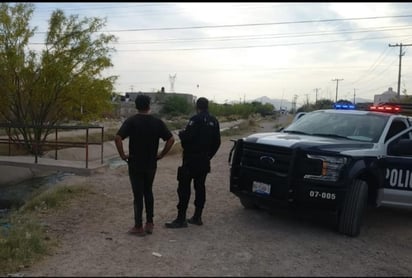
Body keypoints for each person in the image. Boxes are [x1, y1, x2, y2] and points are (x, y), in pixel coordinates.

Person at [115, 94, 175, 236]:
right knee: (148, 191)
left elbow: (118, 138)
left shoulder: (132, 121)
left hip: (135, 162)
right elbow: (171, 139)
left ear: (136, 106)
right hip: (151, 163)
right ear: (149, 106)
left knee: (138, 194)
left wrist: (123, 155)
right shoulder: (157, 122)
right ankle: (149, 223)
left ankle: (138, 226)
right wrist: (161, 154)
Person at [165, 97, 221, 228]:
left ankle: (181, 219)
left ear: (197, 107)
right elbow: (217, 142)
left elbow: (188, 137)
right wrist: (208, 156)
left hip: (191, 159)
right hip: (204, 160)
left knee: (184, 188)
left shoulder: (195, 120)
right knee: (200, 187)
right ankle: (197, 216)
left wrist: (181, 135)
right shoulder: (214, 121)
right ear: (207, 106)